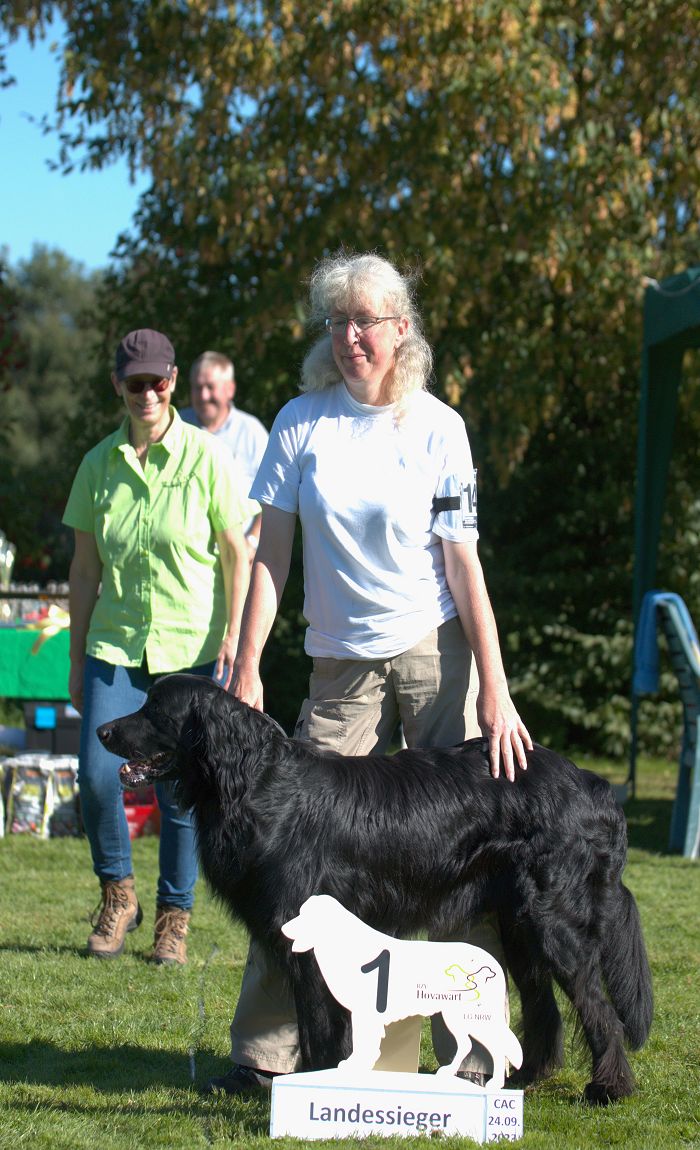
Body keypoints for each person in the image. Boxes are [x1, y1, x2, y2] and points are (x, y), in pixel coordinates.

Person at [204, 252, 533, 1095]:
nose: (352, 336)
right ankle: (269, 1053)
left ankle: (473, 1052)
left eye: (368, 321)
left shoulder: (439, 427)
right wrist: (245, 663)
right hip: (337, 671)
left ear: (401, 330)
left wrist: (493, 687)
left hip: (434, 656)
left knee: (460, 856)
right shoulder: (298, 423)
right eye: (338, 321)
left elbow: (465, 568)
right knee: (295, 861)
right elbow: (269, 558)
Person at [63, 328, 250, 965]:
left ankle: (175, 916)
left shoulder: (206, 457)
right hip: (115, 648)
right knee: (96, 776)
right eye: (135, 383)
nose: (149, 393)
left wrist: (233, 634)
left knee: (178, 792)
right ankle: (119, 895)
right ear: (118, 385)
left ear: (173, 382)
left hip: (191, 650)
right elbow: (84, 571)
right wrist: (74, 655)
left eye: (159, 381)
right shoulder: (96, 465)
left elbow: (238, 552)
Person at [180, 351, 269, 561]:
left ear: (230, 389)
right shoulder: (177, 428)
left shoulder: (251, 432)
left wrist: (252, 543)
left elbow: (273, 496)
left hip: (238, 559)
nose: (203, 396)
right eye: (197, 388)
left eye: (210, 387)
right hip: (185, 563)